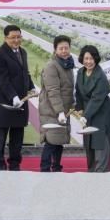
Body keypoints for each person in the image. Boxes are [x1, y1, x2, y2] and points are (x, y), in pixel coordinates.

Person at [0, 25, 35, 171]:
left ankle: (15, 165)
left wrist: (31, 86)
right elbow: (1, 79)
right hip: (3, 103)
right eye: (13, 37)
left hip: (20, 102)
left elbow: (25, 73)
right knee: (0, 139)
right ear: (5, 38)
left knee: (17, 138)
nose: (16, 40)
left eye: (18, 37)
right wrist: (13, 96)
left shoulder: (23, 52)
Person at [75, 45, 110, 172]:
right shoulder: (80, 72)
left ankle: (102, 172)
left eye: (91, 59)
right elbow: (78, 92)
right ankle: (91, 172)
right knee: (89, 142)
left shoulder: (100, 76)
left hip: (102, 112)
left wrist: (85, 115)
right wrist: (79, 108)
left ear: (96, 59)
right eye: (86, 58)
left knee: (100, 142)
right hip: (88, 112)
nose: (88, 62)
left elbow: (96, 99)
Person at [39, 35, 75, 172]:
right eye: (61, 48)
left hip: (63, 110)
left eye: (66, 48)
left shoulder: (67, 65)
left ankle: (56, 168)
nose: (64, 51)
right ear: (55, 50)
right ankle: (45, 169)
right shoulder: (51, 66)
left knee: (59, 141)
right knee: (51, 141)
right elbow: (53, 90)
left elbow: (68, 89)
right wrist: (60, 111)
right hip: (52, 110)